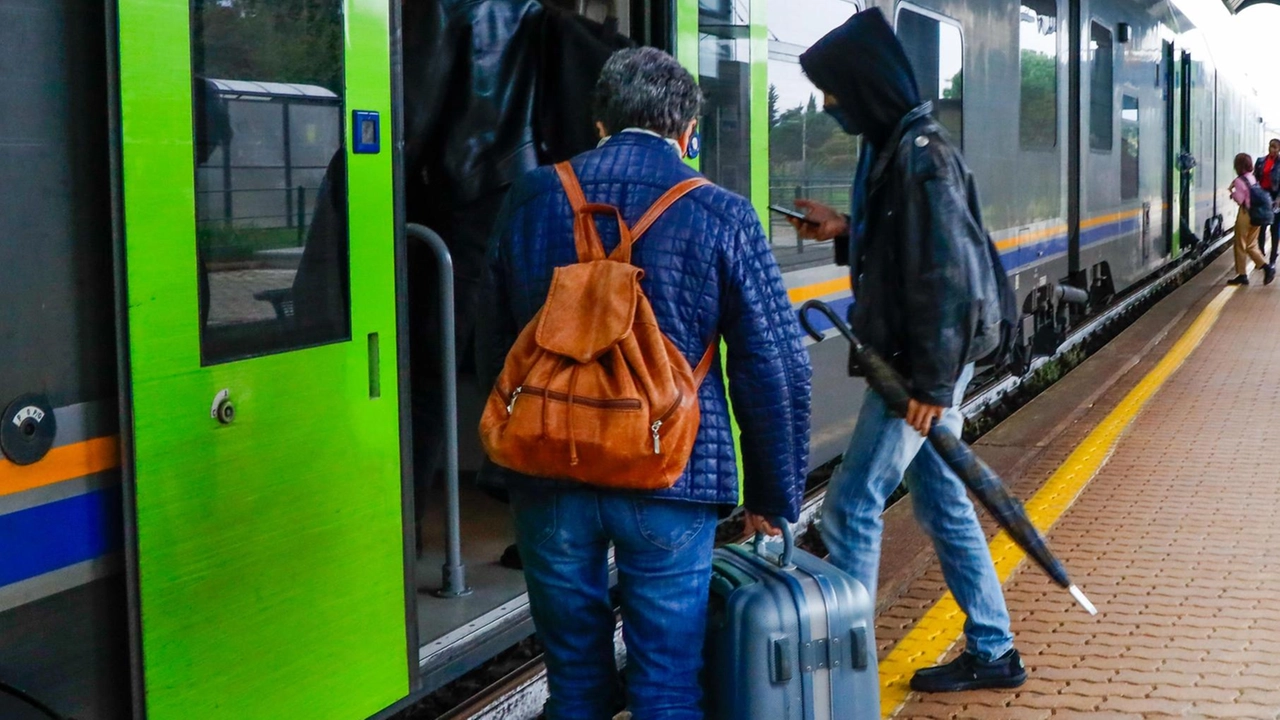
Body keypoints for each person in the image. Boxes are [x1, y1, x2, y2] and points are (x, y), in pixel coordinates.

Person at [476, 47, 812, 719]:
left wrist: (504, 460)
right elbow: (773, 365)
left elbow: (495, 335)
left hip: (551, 466)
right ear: (688, 132)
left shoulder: (535, 195)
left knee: (572, 677)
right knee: (666, 678)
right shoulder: (722, 212)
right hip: (670, 471)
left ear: (598, 123)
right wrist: (774, 494)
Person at [791, 9, 1026, 693]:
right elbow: (904, 241)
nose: (828, 104)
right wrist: (844, 228)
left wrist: (929, 384)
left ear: (864, 84)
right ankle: (993, 648)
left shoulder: (923, 158)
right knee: (944, 503)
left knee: (850, 504)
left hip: (920, 367)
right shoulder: (891, 145)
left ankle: (849, 681)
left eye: (834, 90)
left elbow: (945, 278)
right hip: (921, 361)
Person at [1229, 152, 1274, 286]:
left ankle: (1242, 275)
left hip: (1245, 214)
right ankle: (1267, 268)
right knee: (1251, 244)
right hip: (1257, 215)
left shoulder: (1238, 180)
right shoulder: (1252, 178)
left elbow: (1240, 199)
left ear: (1238, 166)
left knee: (1240, 244)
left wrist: (1231, 192)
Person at [1255, 140, 1280, 265]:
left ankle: (1273, 258)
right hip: (1262, 198)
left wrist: (1278, 200)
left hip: (1276, 199)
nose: (1273, 150)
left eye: (1276, 148)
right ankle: (1260, 256)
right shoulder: (1260, 162)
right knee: (1261, 228)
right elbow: (1255, 180)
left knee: (1275, 229)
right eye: (1272, 147)